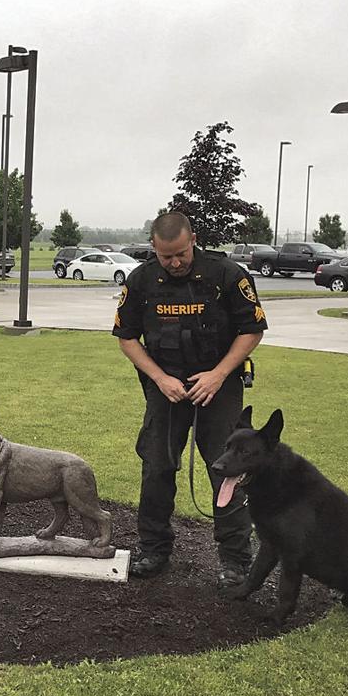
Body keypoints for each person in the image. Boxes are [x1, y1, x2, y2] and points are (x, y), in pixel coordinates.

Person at [112, 212, 267, 589]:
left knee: (228, 470)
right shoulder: (142, 280)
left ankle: (235, 559)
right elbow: (126, 337)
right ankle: (153, 549)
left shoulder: (228, 274)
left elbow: (252, 330)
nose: (175, 262)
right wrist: (160, 378)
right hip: (167, 389)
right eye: (166, 256)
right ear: (154, 248)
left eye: (180, 253)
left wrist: (217, 375)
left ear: (193, 239)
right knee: (157, 465)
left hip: (218, 387)